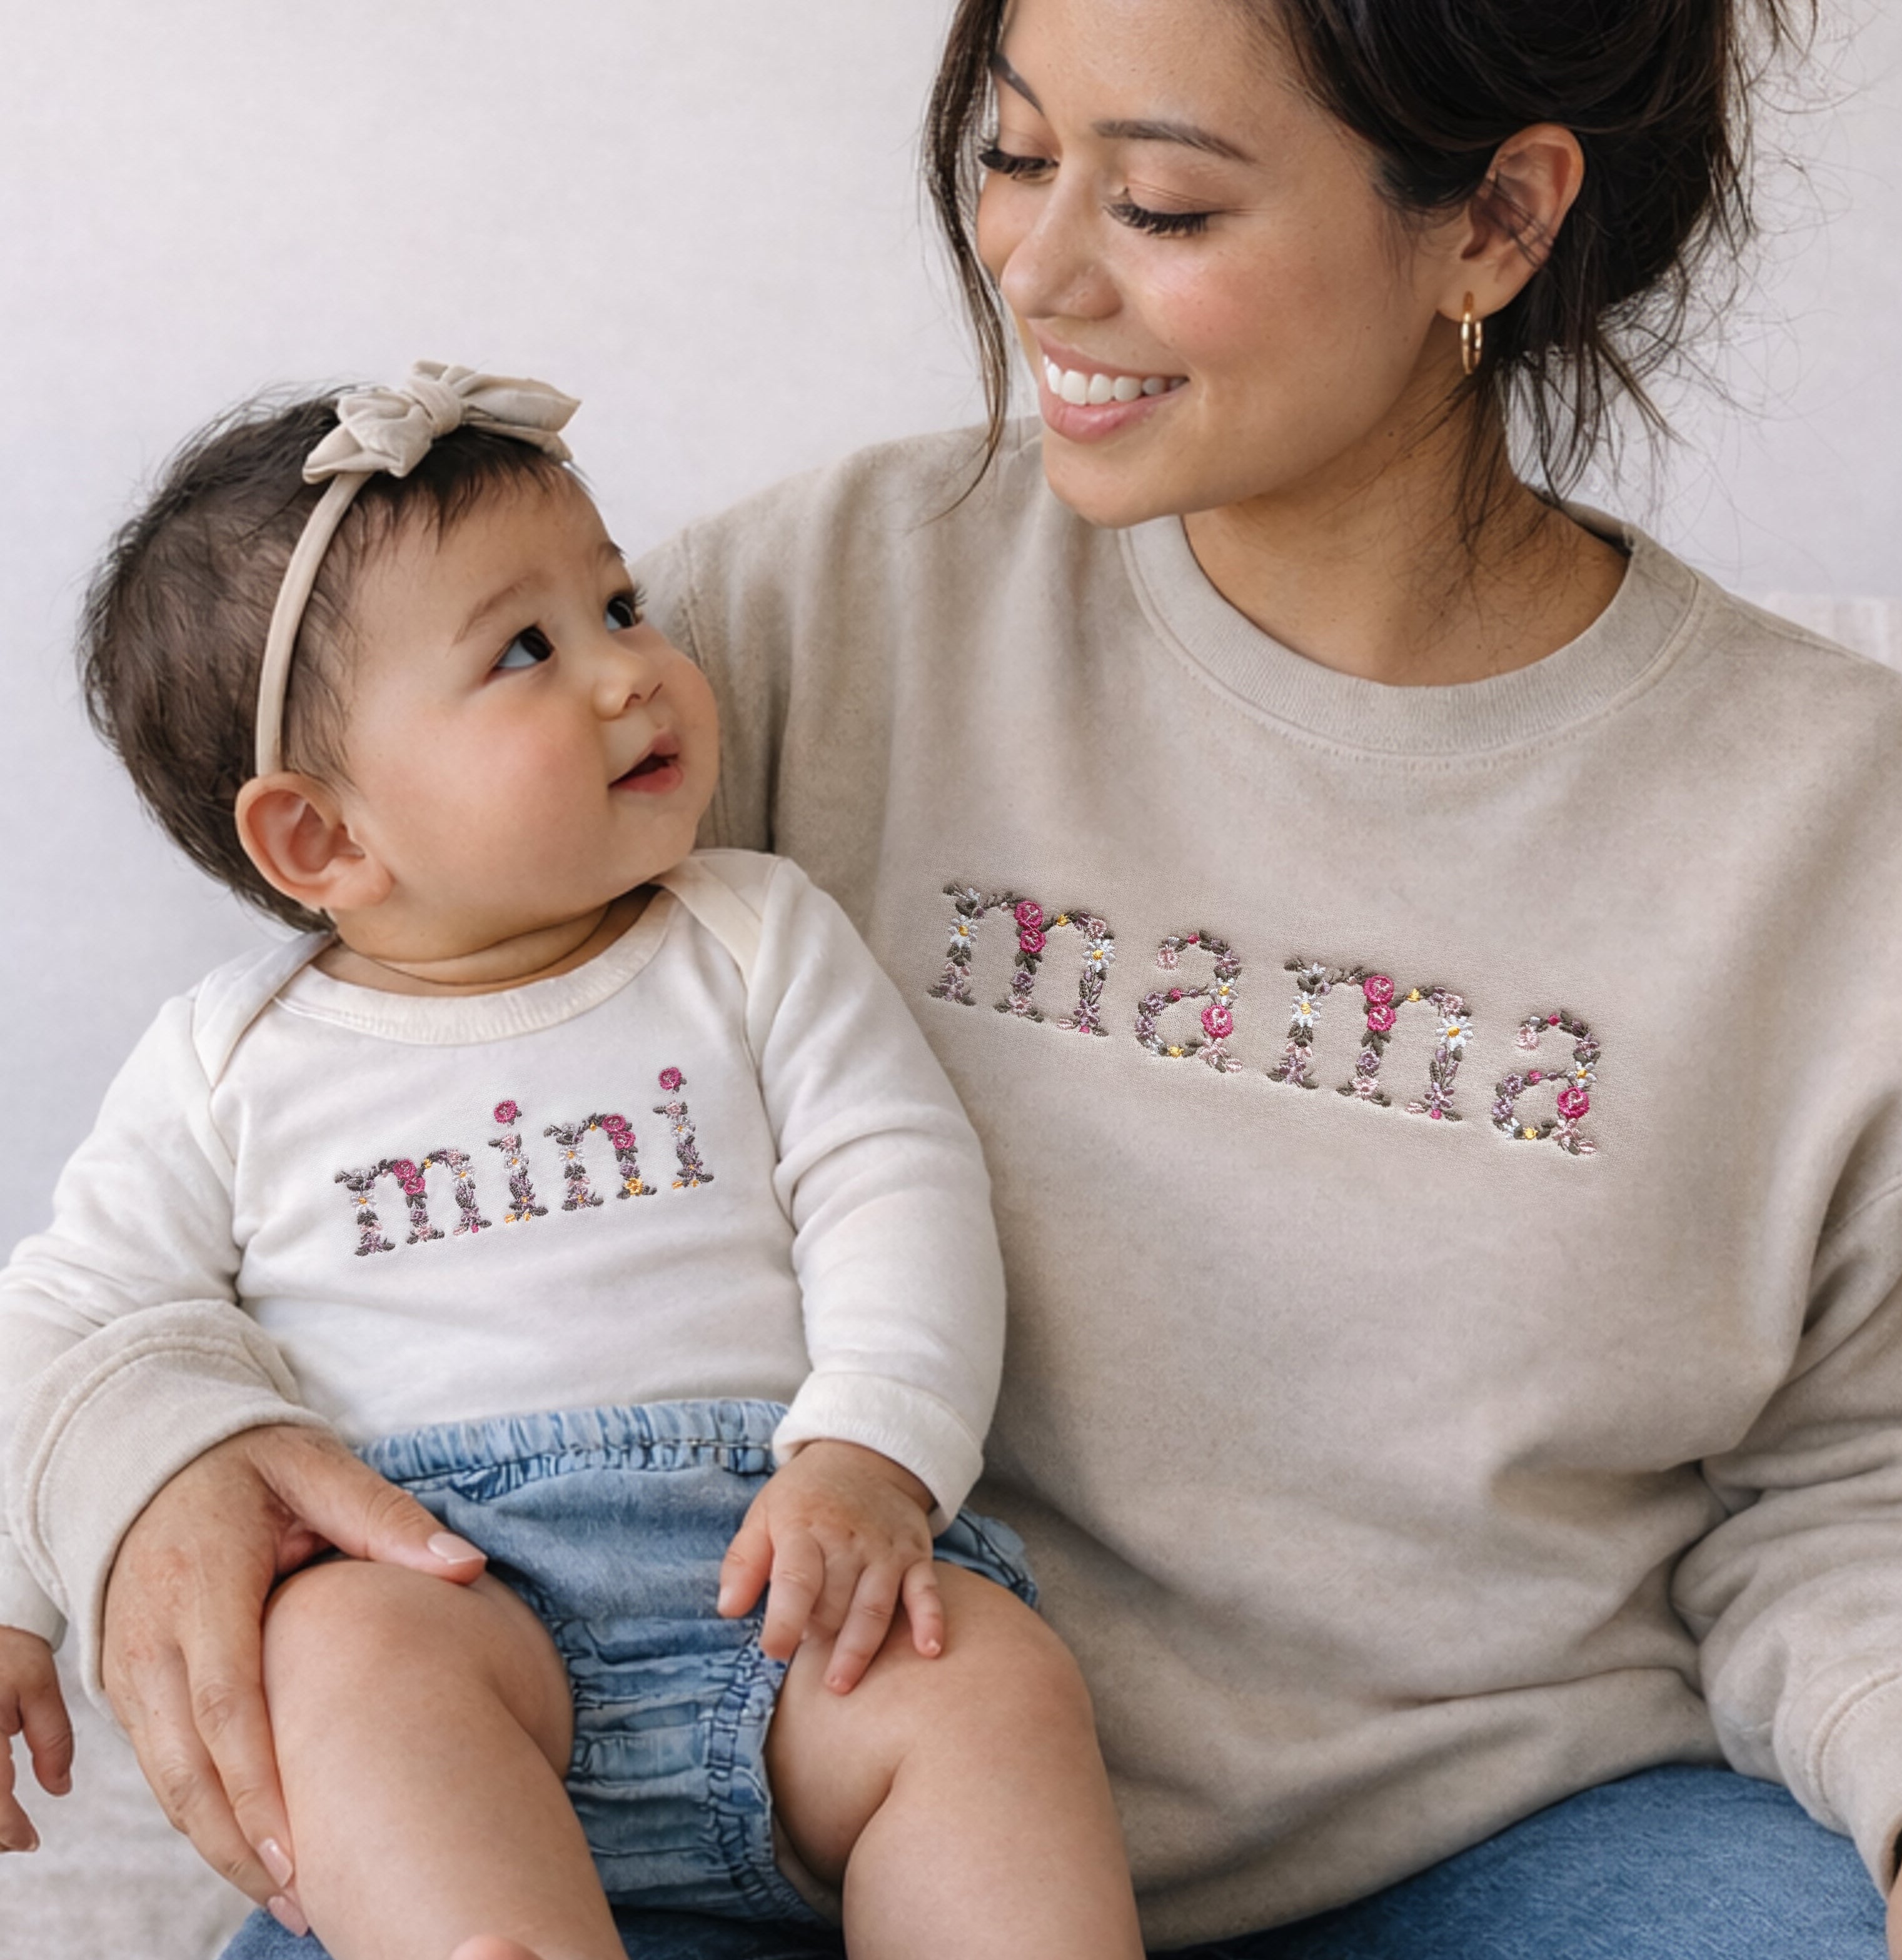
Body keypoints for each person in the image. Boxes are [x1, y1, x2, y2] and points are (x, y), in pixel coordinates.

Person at [12, 0, 1902, 1954]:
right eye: (1016, 157)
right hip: (767, 1795)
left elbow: (1889, 1483)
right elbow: (364, 1031)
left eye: (1166, 202)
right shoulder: (823, 609)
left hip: (1497, 1861)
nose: (1034, 267)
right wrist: (146, 1446)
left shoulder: (1863, 837)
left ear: (1495, 222)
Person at [0, 365, 1147, 1960]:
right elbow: (66, 1317)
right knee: (337, 1657)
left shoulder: (750, 938)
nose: (629, 673)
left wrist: (872, 1453)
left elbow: (892, 1187)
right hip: (451, 1588)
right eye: (525, 650)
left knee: (990, 1685)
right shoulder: (229, 1059)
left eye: (617, 604)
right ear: (320, 840)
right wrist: (18, 1594)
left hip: (779, 1560)